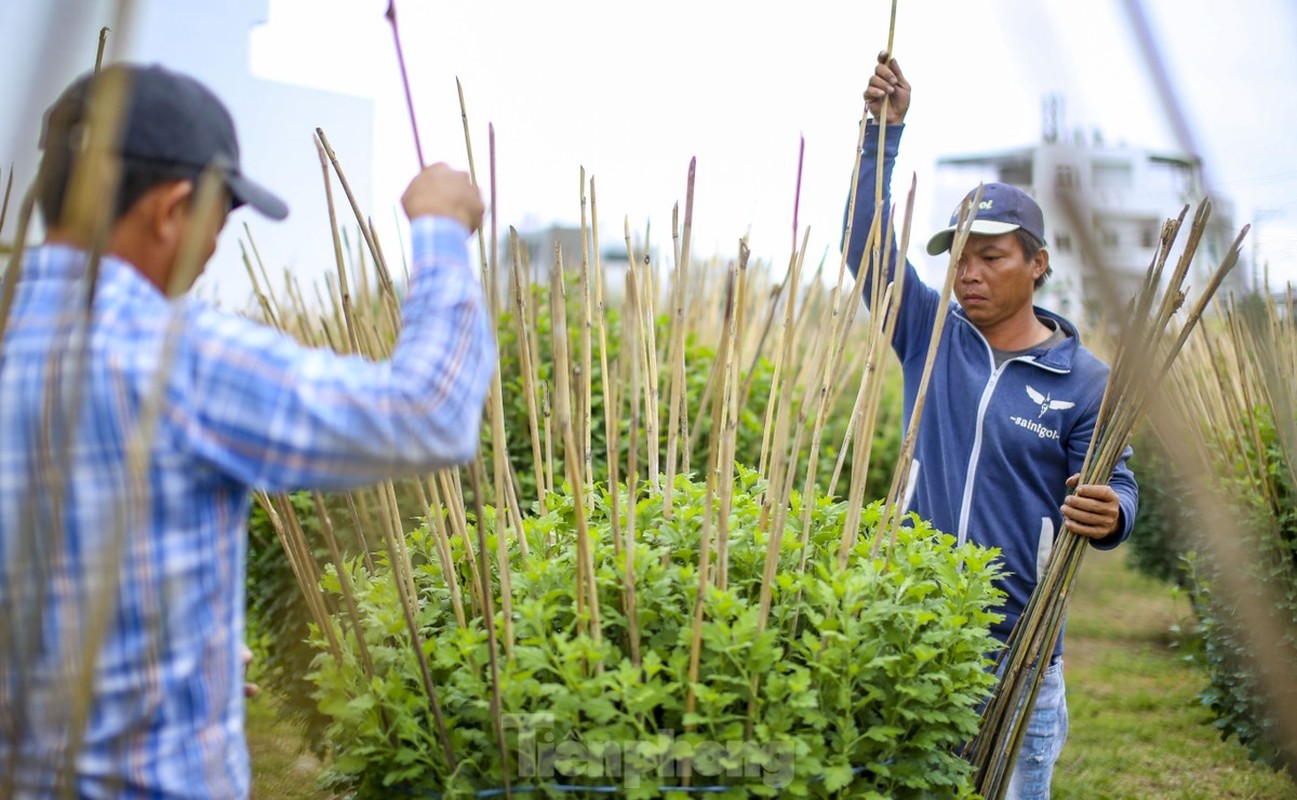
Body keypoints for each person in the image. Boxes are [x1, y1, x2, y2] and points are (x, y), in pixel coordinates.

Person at [0, 64, 495, 799]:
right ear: (171, 210)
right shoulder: (176, 358)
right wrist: (441, 233)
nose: (209, 258)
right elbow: (428, 412)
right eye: (218, 226)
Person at [843, 53, 1139, 799]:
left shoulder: (1084, 381)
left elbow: (1117, 491)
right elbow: (863, 247)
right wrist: (882, 135)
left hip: (1019, 654)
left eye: (989, 256)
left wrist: (1113, 515)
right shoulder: (927, 334)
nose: (967, 273)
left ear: (1036, 264)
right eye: (957, 259)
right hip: (916, 637)